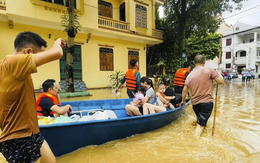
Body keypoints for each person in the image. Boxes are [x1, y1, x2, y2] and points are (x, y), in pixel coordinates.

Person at [0, 31, 65, 163]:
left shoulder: (7, 67)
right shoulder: (14, 62)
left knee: (51, 161)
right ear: (28, 52)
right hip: (20, 138)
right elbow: (57, 53)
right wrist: (57, 43)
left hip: (31, 133)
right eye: (38, 57)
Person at [180, 55, 224, 137]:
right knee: (201, 125)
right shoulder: (209, 70)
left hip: (195, 104)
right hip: (206, 103)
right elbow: (221, 81)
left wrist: (183, 101)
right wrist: (219, 74)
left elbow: (184, 90)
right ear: (204, 62)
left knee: (200, 122)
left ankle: (200, 135)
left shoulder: (189, 76)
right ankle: (195, 142)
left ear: (193, 63)